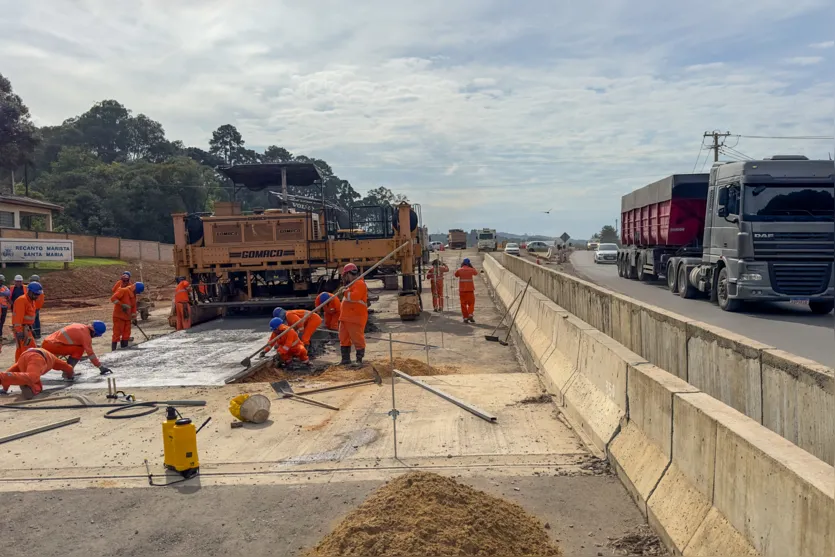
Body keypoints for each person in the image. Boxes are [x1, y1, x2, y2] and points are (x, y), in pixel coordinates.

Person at [41, 321, 112, 377]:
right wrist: (100, 367)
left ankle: (68, 370)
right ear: (94, 332)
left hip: (47, 343)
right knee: (79, 350)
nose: (95, 337)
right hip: (54, 346)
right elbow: (90, 354)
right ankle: (68, 373)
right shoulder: (86, 336)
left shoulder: (80, 326)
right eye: (96, 335)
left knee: (78, 347)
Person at [0, 347, 76, 399]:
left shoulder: (49, 357)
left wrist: (5, 389)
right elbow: (68, 368)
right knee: (33, 377)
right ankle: (29, 385)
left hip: (23, 357)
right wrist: (70, 376)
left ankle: (29, 384)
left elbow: (9, 373)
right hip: (36, 357)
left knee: (27, 377)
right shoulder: (53, 359)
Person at [338, 263, 368, 365]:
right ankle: (345, 360)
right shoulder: (351, 285)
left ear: (348, 274)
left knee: (357, 339)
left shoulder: (360, 284)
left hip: (355, 317)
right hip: (346, 317)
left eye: (345, 276)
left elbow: (354, 297)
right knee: (343, 338)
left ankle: (359, 360)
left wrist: (345, 292)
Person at [110, 282, 144, 350]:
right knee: (117, 333)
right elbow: (113, 298)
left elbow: (133, 307)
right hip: (119, 317)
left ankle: (124, 348)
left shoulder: (133, 295)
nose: (136, 293)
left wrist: (134, 318)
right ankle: (114, 350)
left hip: (127, 318)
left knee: (126, 334)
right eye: (136, 292)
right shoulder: (123, 290)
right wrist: (121, 304)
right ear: (134, 288)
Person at [12, 281, 41, 360]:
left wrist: (31, 329)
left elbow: (29, 317)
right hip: (22, 329)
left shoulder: (31, 300)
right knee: (27, 351)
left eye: (38, 294)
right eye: (35, 294)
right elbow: (18, 317)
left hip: (27, 329)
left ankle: (18, 369)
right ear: (30, 292)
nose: (37, 296)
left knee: (23, 350)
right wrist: (19, 331)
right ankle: (23, 368)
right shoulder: (21, 300)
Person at [454, 258, 479, 323]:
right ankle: (470, 314)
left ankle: (465, 318)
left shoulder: (459, 270)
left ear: (463, 263)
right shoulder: (471, 270)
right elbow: (476, 273)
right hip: (470, 290)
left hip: (462, 291)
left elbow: (456, 275)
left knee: (463, 304)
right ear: (469, 263)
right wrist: (472, 267)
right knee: (471, 303)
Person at [0, 275, 9, 339]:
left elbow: (8, 293)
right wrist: (3, 293)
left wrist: (1, 293)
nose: (2, 282)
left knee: (2, 321)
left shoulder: (4, 287)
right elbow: (5, 293)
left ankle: (0, 334)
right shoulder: (4, 288)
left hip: (4, 307)